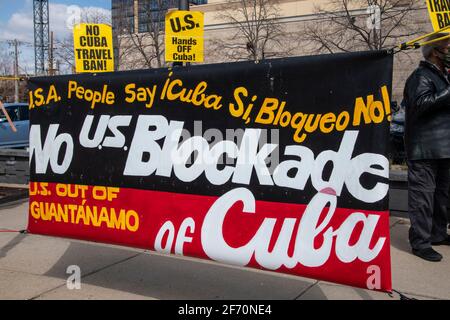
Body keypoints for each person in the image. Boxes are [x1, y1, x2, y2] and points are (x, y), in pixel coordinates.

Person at [403, 33, 450, 262]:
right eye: (447, 47)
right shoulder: (420, 76)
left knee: (442, 196)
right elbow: (420, 105)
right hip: (424, 150)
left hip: (444, 148)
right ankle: (420, 242)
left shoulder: (443, 76)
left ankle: (437, 234)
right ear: (434, 51)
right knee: (423, 198)